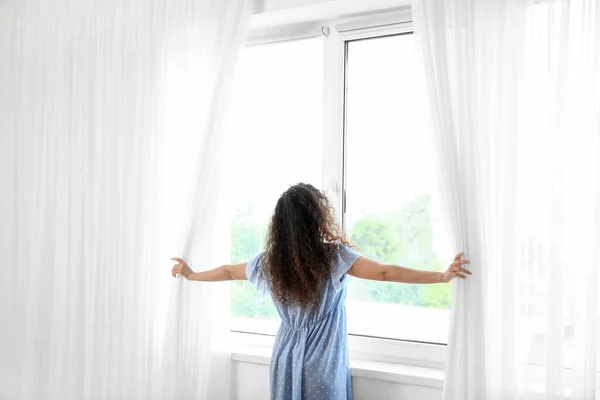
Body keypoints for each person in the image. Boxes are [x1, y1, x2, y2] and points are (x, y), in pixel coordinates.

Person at [171, 183, 471, 400]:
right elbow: (384, 272)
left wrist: (192, 275)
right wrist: (441, 276)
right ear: (318, 218)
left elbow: (226, 271)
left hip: (285, 357)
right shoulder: (334, 257)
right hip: (322, 360)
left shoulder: (270, 261)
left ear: (280, 225)